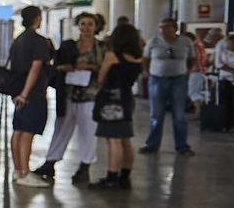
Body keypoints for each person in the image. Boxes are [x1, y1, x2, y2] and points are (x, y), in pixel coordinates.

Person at [35, 12, 103, 185]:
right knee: (61, 128)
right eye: (83, 24)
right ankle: (50, 162)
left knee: (88, 132)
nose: (86, 28)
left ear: (96, 27)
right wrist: (65, 68)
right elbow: (56, 65)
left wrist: (89, 67)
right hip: (68, 94)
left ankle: (85, 166)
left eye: (90, 24)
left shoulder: (101, 48)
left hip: (90, 95)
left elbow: (105, 69)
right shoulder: (69, 45)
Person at [90, 21, 146, 190]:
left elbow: (101, 78)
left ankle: (111, 177)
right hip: (127, 98)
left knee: (113, 139)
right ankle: (124, 176)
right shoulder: (138, 58)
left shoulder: (112, 56)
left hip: (111, 99)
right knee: (125, 139)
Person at [8, 5, 54, 187]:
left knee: (18, 130)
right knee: (27, 132)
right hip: (32, 93)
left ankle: (17, 170)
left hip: (18, 91)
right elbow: (35, 69)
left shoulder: (18, 40)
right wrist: (25, 94)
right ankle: (25, 172)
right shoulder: (39, 41)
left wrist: (18, 94)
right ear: (36, 18)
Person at [141, 18, 194, 155]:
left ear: (174, 28)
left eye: (166, 27)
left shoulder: (186, 42)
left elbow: (191, 59)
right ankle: (152, 145)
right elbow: (145, 58)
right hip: (157, 79)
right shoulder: (154, 41)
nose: (162, 30)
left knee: (179, 115)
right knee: (156, 114)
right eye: (161, 27)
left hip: (179, 80)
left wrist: (184, 71)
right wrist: (147, 72)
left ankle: (182, 146)